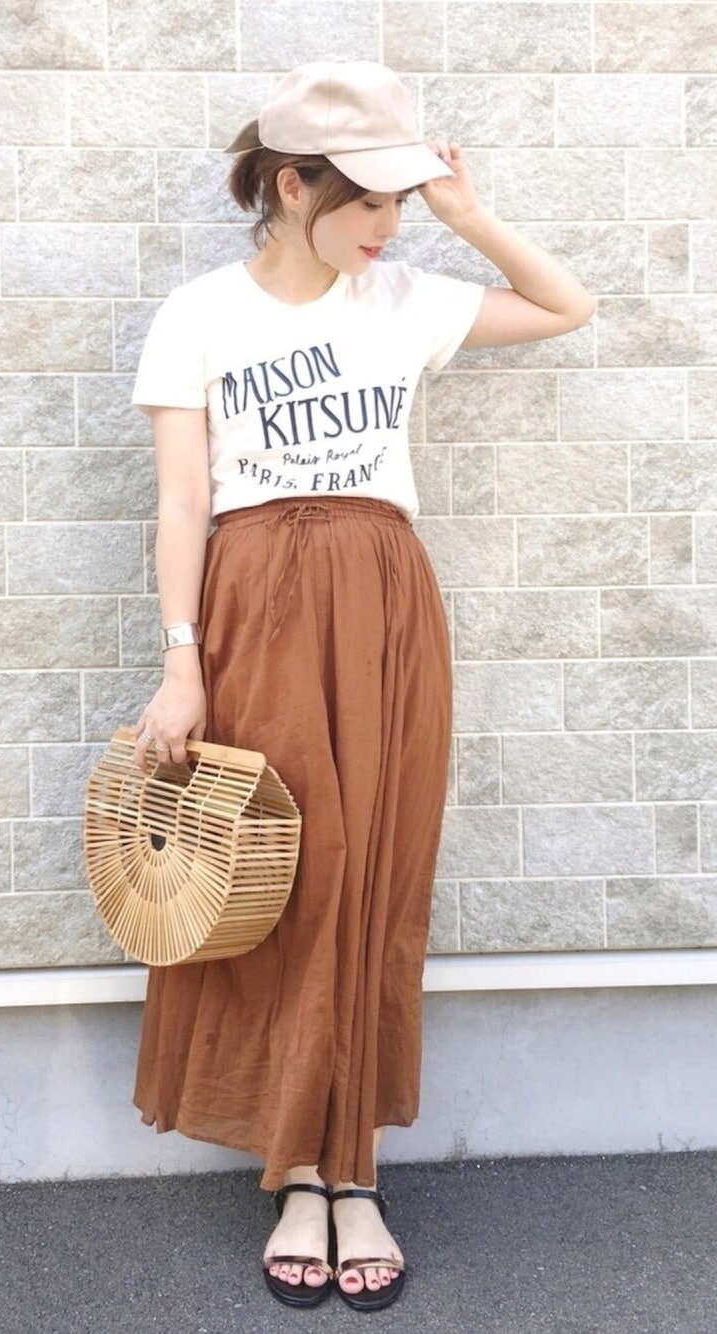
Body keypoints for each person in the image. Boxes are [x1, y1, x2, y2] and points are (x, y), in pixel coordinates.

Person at [126, 60, 596, 1313]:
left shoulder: (402, 298)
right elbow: (181, 499)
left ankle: (354, 1172)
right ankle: (295, 1169)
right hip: (257, 599)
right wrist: (181, 661)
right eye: (372, 199)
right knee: (294, 874)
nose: (391, 223)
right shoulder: (200, 313)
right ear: (293, 186)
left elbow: (567, 305)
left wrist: (468, 214)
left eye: (401, 199)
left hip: (384, 599)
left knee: (378, 869)